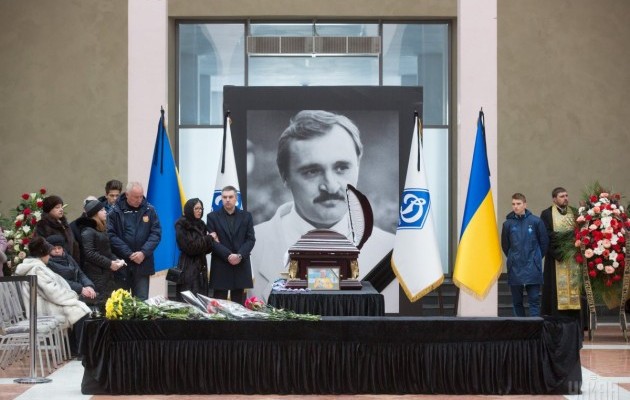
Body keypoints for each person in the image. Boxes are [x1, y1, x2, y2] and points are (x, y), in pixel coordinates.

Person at [250, 110, 394, 300]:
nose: (331, 186)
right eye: (312, 171)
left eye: (342, 168)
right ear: (285, 176)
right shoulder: (249, 251)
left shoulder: (393, 251)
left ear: (358, 165)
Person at [14, 237, 91, 354]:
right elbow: (53, 293)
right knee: (80, 311)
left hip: (46, 304)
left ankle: (74, 349)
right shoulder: (37, 269)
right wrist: (73, 296)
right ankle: (79, 351)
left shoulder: (36, 267)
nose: (49, 257)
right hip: (43, 309)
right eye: (48, 253)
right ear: (43, 254)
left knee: (78, 307)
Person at [107, 182, 161, 300]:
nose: (139, 200)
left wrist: (143, 253)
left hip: (143, 263)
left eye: (141, 196)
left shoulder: (150, 210)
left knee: (142, 302)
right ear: (127, 195)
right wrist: (129, 254)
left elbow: (156, 234)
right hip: (122, 264)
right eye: (136, 197)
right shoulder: (114, 211)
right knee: (121, 302)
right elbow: (110, 235)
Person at [501, 193, 549, 317]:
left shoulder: (536, 221)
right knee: (517, 302)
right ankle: (520, 327)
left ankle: (534, 327)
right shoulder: (507, 224)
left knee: (534, 301)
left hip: (532, 267)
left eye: (518, 204)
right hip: (515, 267)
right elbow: (505, 246)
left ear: (525, 205)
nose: (515, 206)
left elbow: (544, 243)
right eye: (513, 204)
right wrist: (513, 257)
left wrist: (535, 258)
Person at [206, 185, 255, 305]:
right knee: (219, 306)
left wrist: (239, 255)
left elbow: (250, 239)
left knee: (238, 306)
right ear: (221, 198)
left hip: (240, 264)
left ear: (236, 198)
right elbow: (212, 242)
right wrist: (228, 255)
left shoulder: (247, 216)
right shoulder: (212, 217)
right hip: (221, 264)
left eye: (230, 197)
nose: (227, 200)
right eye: (224, 197)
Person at [540, 187, 582, 318]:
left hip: (573, 257)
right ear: (554, 199)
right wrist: (560, 252)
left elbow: (579, 233)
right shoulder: (547, 214)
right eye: (562, 196)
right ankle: (556, 317)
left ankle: (573, 317)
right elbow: (546, 235)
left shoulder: (574, 212)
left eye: (566, 195)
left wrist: (571, 245)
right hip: (555, 257)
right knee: (554, 288)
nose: (565, 198)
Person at [77, 200, 126, 304]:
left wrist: (115, 259)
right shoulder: (88, 231)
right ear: (95, 213)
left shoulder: (100, 229)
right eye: (102, 210)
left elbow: (106, 250)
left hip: (106, 274)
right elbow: (89, 253)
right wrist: (109, 264)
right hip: (96, 275)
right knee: (100, 303)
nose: (105, 212)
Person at [174, 198, 215, 301]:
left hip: (202, 267)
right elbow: (190, 248)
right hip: (187, 267)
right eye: (196, 208)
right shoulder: (182, 224)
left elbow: (204, 249)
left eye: (201, 208)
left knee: (201, 301)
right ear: (189, 209)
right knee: (189, 301)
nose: (199, 211)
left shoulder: (202, 224)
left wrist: (212, 242)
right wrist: (209, 238)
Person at [46, 234, 98, 305]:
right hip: (63, 296)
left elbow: (80, 274)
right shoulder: (48, 263)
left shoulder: (68, 258)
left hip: (78, 292)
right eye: (54, 249)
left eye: (59, 248)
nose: (57, 251)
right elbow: (59, 280)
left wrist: (89, 286)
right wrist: (80, 289)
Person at [35, 195, 81, 263]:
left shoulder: (64, 224)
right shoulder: (43, 225)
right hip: (55, 264)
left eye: (61, 207)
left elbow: (73, 245)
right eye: (57, 207)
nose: (61, 209)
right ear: (49, 209)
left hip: (70, 263)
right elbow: (41, 247)